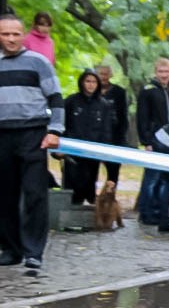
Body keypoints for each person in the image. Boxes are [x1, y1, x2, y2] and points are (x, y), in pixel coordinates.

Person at [0, 14, 64, 275]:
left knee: (35, 194)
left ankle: (33, 253)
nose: (11, 39)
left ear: (23, 34)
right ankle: (11, 249)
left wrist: (55, 130)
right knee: (4, 196)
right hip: (2, 135)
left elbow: (56, 98)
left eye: (16, 34)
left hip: (33, 135)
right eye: (5, 34)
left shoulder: (38, 62)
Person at [63, 69, 116, 204]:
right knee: (71, 185)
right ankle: (69, 219)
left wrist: (105, 150)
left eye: (93, 82)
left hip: (93, 152)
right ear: (82, 82)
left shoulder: (103, 105)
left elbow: (106, 129)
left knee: (90, 183)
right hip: (72, 152)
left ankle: (88, 219)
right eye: (88, 81)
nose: (91, 85)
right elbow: (63, 124)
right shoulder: (71, 101)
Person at [135, 58, 169, 224]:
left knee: (165, 179)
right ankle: (146, 213)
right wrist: (146, 140)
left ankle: (161, 212)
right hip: (154, 139)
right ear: (155, 72)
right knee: (151, 178)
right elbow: (142, 117)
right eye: (161, 72)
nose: (164, 75)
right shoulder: (148, 91)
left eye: (166, 72)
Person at [96, 65, 129, 183]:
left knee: (113, 172)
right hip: (94, 136)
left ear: (110, 75)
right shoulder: (91, 91)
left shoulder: (119, 92)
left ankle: (110, 197)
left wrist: (122, 138)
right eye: (101, 74)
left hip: (114, 137)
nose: (103, 77)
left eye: (106, 74)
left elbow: (123, 116)